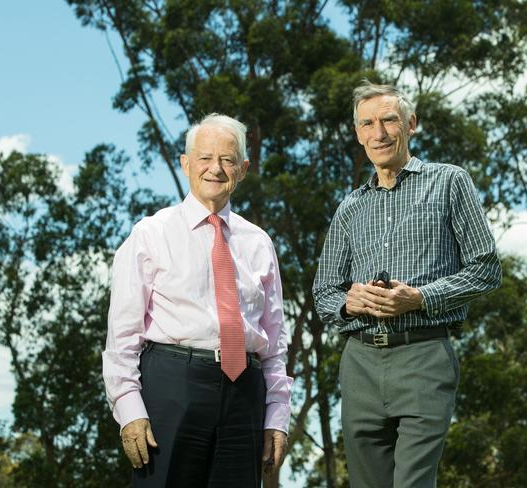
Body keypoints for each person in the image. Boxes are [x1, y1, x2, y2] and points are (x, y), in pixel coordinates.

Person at [313, 80, 501, 488]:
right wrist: (352, 302)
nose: (378, 133)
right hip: (359, 363)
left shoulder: (449, 182)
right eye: (367, 124)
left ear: (411, 123)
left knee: (413, 483)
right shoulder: (350, 207)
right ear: (358, 133)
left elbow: (486, 268)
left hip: (423, 356)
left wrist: (418, 298)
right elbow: (324, 292)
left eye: (388, 120)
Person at [103, 113, 293, 487]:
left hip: (245, 397)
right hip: (171, 388)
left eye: (227, 160)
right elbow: (121, 337)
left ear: (243, 169)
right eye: (205, 158)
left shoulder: (259, 242)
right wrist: (129, 411)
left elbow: (275, 343)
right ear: (186, 164)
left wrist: (277, 417)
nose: (215, 169)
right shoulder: (150, 234)